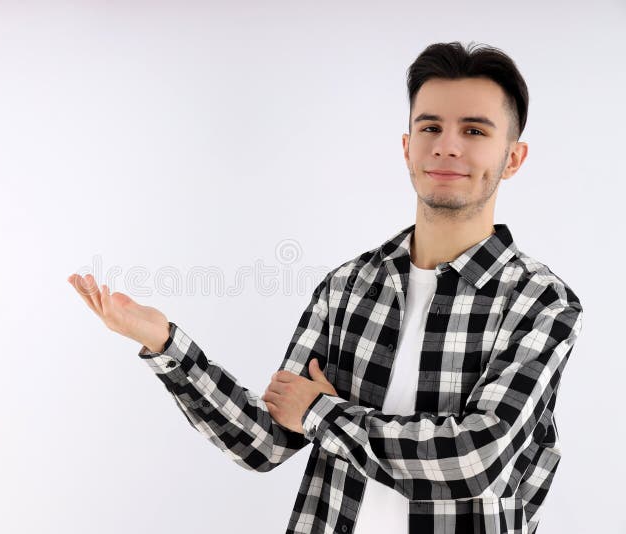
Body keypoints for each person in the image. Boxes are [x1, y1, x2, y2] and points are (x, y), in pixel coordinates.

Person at [67, 41, 583, 534]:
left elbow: (476, 458)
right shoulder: (349, 286)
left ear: (513, 158)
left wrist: (319, 412)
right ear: (408, 148)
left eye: (474, 131)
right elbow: (265, 442)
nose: (447, 146)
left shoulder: (540, 302)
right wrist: (164, 344)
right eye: (430, 127)